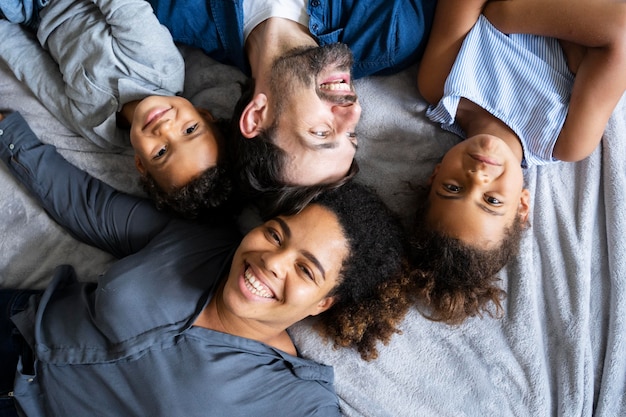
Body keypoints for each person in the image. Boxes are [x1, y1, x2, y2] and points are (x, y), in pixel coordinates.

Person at [0, 110, 410, 416]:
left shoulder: (297, 400)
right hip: (17, 324)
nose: (272, 262)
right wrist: (9, 132)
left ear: (324, 302)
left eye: (305, 270)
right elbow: (91, 207)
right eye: (276, 234)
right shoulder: (201, 238)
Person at [411, 0, 626, 324]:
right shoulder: (566, 140)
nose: (479, 177)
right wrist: (503, 14)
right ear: (522, 207)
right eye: (492, 200)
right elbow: (621, 30)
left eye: (453, 187)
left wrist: (570, 40)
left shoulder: (441, 84)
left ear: (435, 174)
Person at [145, 0, 437, 217]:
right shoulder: (390, 33)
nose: (353, 112)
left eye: (321, 133)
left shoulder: (177, 10)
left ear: (258, 115)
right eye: (351, 135)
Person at [0, 0, 232, 219]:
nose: (166, 128)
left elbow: (36, 72)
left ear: (140, 163)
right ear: (202, 114)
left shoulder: (97, 127)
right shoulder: (160, 65)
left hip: (33, 17)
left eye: (161, 153)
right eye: (190, 129)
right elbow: (120, 5)